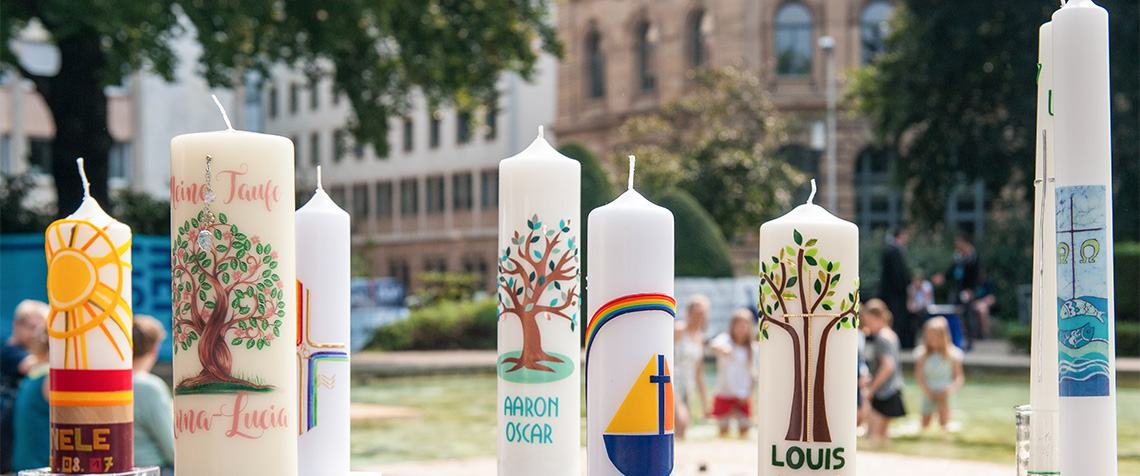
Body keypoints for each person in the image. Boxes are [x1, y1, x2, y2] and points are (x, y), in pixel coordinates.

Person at [1, 300, 49, 473]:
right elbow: (28, 364)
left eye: (42, 330)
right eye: (33, 328)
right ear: (17, 326)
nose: (37, 335)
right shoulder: (8, 351)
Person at [132, 315, 175, 474]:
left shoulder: (108, 383)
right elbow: (171, 448)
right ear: (154, 350)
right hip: (151, 469)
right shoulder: (151, 388)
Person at [707, 309, 758, 438]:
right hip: (725, 392)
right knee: (723, 430)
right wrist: (722, 348)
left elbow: (754, 375)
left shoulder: (753, 348)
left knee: (745, 428)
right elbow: (713, 345)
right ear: (733, 326)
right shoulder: (726, 340)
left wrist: (748, 394)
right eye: (739, 325)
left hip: (743, 394)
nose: (742, 328)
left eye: (745, 325)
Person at [861, 299, 906, 446]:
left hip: (883, 392)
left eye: (869, 321)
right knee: (884, 436)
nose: (867, 325)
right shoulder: (891, 335)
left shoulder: (881, 338)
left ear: (879, 318)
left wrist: (871, 389)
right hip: (894, 388)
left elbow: (887, 366)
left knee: (871, 437)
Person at [914, 316, 965, 433]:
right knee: (925, 423)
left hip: (945, 392)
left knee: (944, 423)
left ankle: (944, 444)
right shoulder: (921, 354)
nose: (932, 339)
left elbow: (959, 377)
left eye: (935, 336)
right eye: (929, 336)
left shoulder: (953, 354)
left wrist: (951, 388)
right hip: (928, 390)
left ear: (943, 336)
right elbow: (919, 377)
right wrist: (930, 392)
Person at [934, 233, 981, 349]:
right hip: (957, 289)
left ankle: (970, 342)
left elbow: (977, 276)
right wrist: (943, 277)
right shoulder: (957, 257)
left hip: (967, 290)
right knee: (954, 313)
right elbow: (951, 270)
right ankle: (953, 340)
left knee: (968, 316)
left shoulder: (974, 257)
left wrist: (971, 290)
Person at [673, 294, 710, 440]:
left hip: (688, 385)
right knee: (681, 422)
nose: (698, 319)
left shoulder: (700, 337)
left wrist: (704, 402)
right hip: (673, 381)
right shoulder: (678, 330)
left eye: (702, 315)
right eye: (695, 315)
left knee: (682, 429)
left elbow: (699, 371)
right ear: (688, 313)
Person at [879, 227, 914, 349]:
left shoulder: (893, 250)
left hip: (894, 293)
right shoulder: (893, 251)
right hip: (894, 294)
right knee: (896, 318)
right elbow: (896, 275)